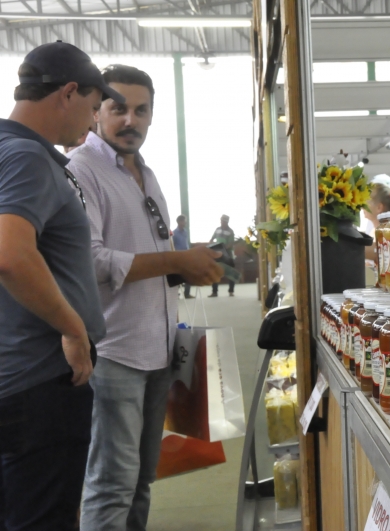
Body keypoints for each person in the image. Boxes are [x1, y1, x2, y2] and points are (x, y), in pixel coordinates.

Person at [67, 64, 224, 531]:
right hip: (114, 352)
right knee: (112, 483)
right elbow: (92, 261)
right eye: (118, 109)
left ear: (152, 116)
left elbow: (148, 253)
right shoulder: (82, 170)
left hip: (158, 349)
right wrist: (178, 261)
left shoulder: (146, 174)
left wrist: (182, 267)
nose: (129, 120)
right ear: (98, 112)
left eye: (141, 110)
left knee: (141, 479)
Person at [0, 42, 122, 530]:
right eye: (94, 109)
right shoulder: (28, 157)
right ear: (68, 93)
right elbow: (10, 254)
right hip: (40, 383)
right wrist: (73, 329)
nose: (92, 123)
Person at [210, 214, 236, 297]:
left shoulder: (230, 231)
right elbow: (211, 239)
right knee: (215, 272)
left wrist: (223, 248)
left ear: (226, 221)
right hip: (217, 254)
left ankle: (231, 291)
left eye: (223, 221)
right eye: (221, 220)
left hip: (228, 254)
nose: (221, 222)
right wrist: (213, 246)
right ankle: (214, 292)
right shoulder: (217, 229)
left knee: (230, 273)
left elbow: (231, 244)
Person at [172, 214, 193, 299]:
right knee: (177, 276)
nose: (185, 222)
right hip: (178, 257)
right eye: (184, 221)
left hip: (187, 255)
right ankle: (175, 294)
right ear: (179, 222)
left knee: (189, 274)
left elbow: (186, 243)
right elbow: (172, 245)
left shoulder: (185, 232)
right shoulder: (174, 233)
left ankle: (187, 293)